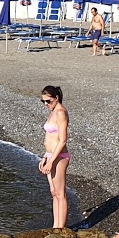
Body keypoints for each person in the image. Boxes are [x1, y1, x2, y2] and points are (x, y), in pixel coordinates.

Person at [38, 85, 71, 229]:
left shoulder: (61, 113)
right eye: (43, 101)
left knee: (60, 193)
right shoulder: (52, 112)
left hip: (60, 156)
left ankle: (61, 228)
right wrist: (45, 156)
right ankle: (55, 226)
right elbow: (50, 137)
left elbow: (62, 139)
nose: (46, 104)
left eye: (48, 101)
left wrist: (51, 161)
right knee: (54, 192)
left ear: (56, 98)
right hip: (50, 155)